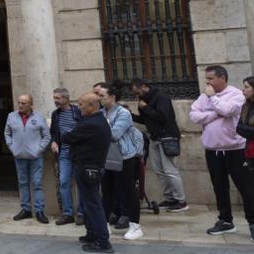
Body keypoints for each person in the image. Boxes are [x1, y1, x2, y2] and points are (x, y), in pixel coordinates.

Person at [190, 65, 254, 236]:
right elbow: (194, 115)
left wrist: (212, 100)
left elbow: (228, 110)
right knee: (219, 187)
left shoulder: (236, 94)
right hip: (213, 150)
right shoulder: (204, 96)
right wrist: (213, 113)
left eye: (210, 78)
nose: (207, 82)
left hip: (235, 149)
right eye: (206, 79)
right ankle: (226, 221)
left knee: (246, 188)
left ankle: (253, 223)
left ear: (222, 78)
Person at [63, 93, 113, 254]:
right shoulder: (96, 120)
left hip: (88, 169)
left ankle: (103, 241)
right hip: (88, 168)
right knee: (88, 203)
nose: (79, 108)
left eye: (81, 104)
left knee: (93, 204)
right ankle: (92, 234)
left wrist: (68, 133)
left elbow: (68, 137)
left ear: (92, 106)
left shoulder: (91, 124)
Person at [130, 78, 188, 213]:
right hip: (154, 138)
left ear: (144, 86)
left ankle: (181, 201)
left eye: (137, 91)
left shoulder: (161, 97)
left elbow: (163, 117)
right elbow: (145, 120)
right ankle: (170, 199)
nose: (137, 95)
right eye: (134, 93)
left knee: (170, 170)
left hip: (167, 137)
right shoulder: (143, 101)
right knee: (160, 171)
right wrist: (130, 115)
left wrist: (146, 108)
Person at [97, 81, 145, 240]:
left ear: (112, 97)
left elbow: (114, 134)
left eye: (102, 95)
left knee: (128, 190)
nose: (99, 98)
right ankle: (104, 225)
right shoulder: (101, 112)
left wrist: (95, 131)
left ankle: (135, 226)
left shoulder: (123, 113)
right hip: (107, 157)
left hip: (125, 157)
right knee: (107, 191)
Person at [4, 94, 51, 224]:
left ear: (31, 104)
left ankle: (39, 211)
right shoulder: (11, 116)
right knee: (23, 183)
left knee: (37, 184)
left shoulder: (39, 117)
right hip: (19, 156)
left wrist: (39, 149)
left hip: (35, 157)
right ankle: (26, 209)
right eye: (19, 102)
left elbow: (46, 136)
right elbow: (7, 134)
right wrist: (13, 148)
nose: (20, 105)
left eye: (23, 103)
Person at [51, 88, 84, 225]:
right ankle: (67, 213)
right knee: (64, 181)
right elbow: (53, 131)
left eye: (58, 98)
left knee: (80, 182)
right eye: (54, 98)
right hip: (64, 152)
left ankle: (82, 213)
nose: (55, 101)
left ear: (66, 98)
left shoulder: (77, 111)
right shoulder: (56, 114)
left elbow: (84, 128)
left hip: (78, 151)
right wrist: (53, 141)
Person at [237, 76, 254, 242]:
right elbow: (239, 129)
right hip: (249, 155)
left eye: (246, 87)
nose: (243, 90)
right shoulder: (246, 107)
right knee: (249, 193)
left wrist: (247, 129)